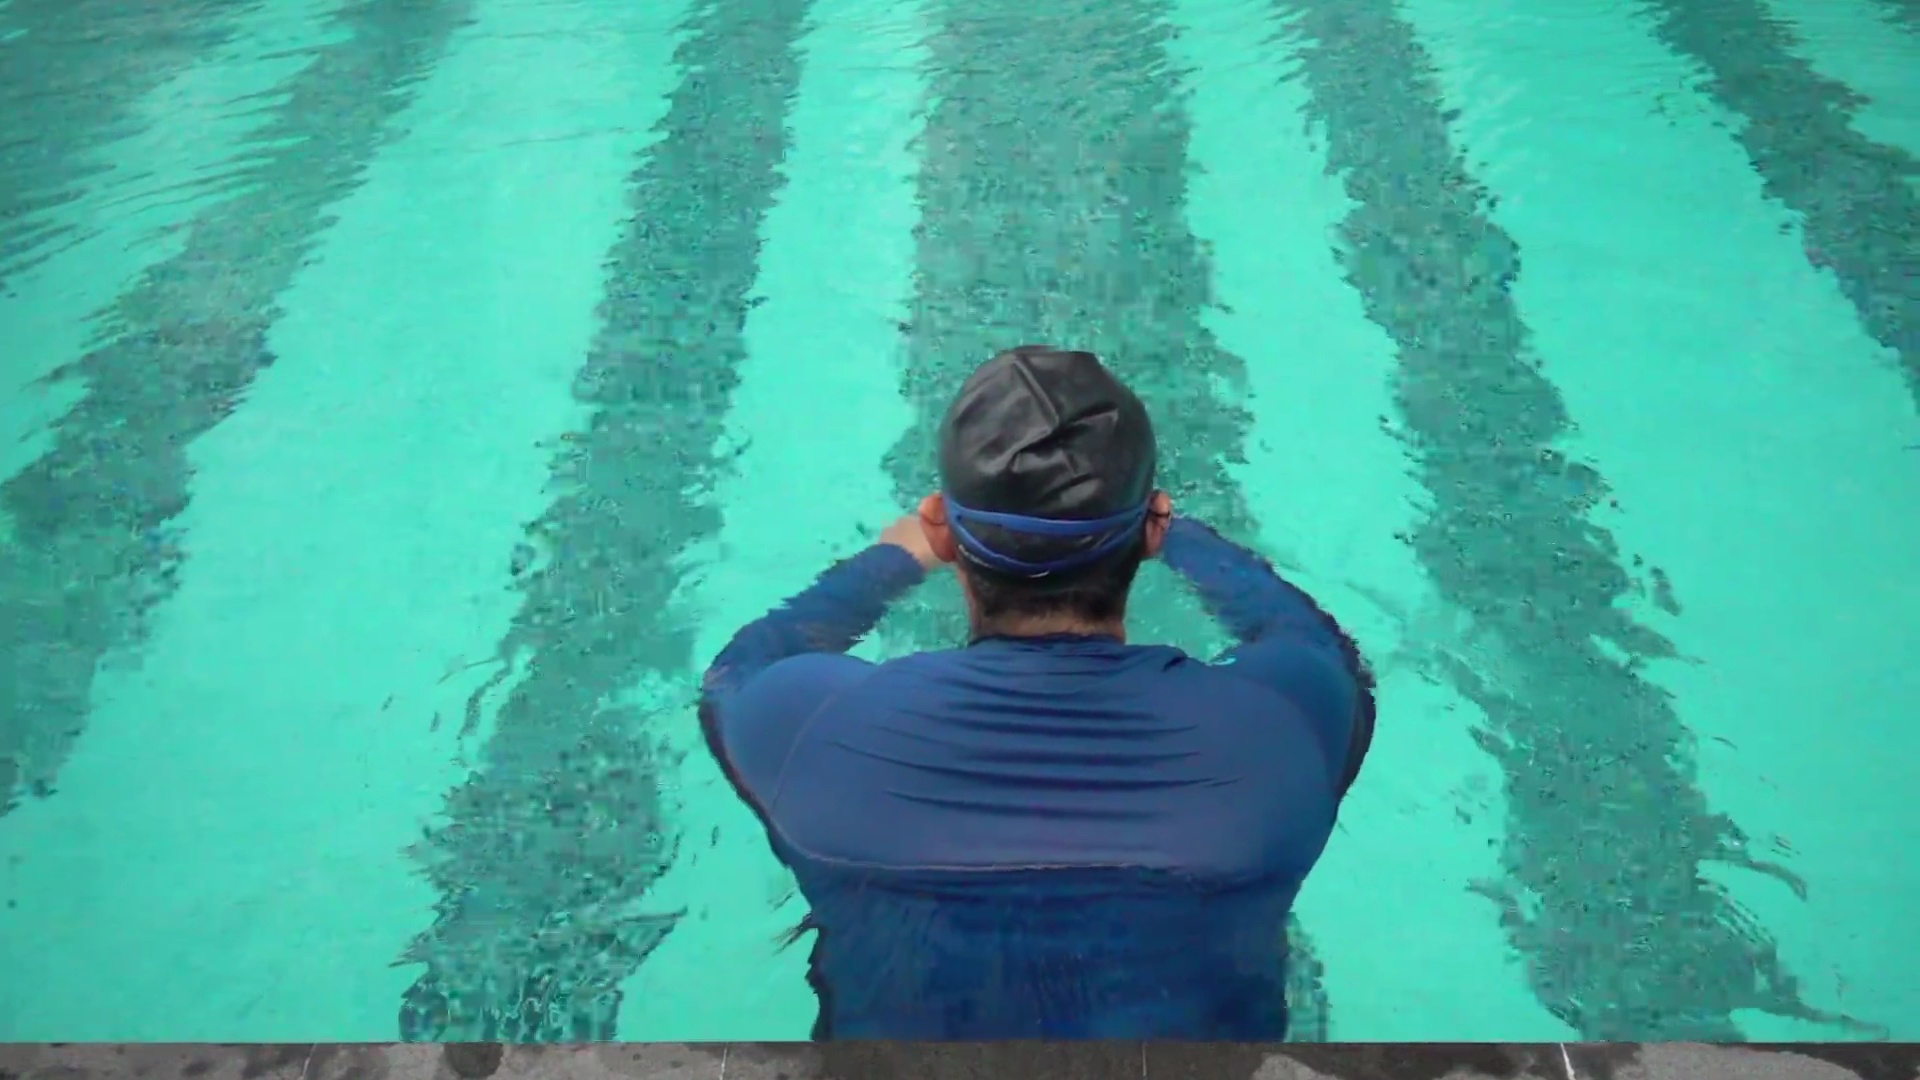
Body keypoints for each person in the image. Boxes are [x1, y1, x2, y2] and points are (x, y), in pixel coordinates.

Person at [697, 345, 1376, 1040]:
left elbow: (744, 667)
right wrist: (1178, 537)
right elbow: (1315, 644)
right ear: (1147, 527)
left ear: (946, 529)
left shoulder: (816, 734)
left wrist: (896, 556)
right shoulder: (1282, 728)